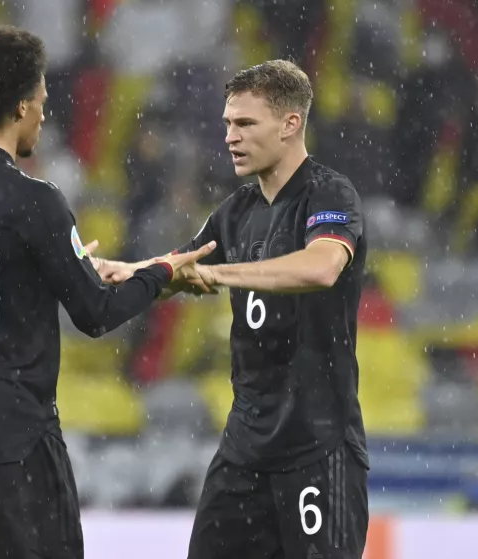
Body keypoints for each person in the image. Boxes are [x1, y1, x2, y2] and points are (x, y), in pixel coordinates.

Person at [0, 26, 214, 559]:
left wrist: (56, 264)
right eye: (40, 102)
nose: (43, 114)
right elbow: (95, 313)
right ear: (18, 106)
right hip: (13, 440)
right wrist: (160, 273)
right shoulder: (36, 200)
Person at [97, 59, 370, 559]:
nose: (230, 136)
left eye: (245, 123)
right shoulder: (236, 211)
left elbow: (322, 266)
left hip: (317, 448)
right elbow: (182, 266)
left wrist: (222, 274)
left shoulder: (329, 193)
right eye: (227, 123)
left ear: (290, 124)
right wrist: (123, 268)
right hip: (245, 451)